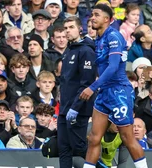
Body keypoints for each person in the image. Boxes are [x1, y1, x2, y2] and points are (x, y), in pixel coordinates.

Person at [80, 4, 148, 168]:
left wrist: (92, 87)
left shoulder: (113, 36)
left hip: (119, 92)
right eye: (91, 14)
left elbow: (113, 67)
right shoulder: (99, 37)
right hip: (104, 92)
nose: (92, 17)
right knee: (94, 138)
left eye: (96, 14)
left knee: (127, 138)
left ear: (107, 19)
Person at [58, 16, 97, 168]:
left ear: (80, 29)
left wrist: (75, 107)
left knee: (79, 147)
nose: (67, 31)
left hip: (78, 108)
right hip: (64, 108)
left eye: (71, 27)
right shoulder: (68, 50)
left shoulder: (87, 51)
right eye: (65, 28)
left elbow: (86, 84)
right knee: (64, 148)